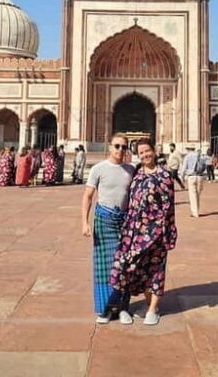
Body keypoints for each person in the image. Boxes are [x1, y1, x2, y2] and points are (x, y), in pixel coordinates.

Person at [108, 138, 178, 326]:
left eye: (148, 151)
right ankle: (130, 306)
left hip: (156, 233)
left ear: (154, 151)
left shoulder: (164, 175)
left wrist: (168, 232)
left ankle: (153, 309)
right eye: (142, 153)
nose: (145, 155)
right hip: (134, 232)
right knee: (131, 267)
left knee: (155, 270)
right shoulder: (137, 173)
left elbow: (169, 207)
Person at [80, 133, 135, 324]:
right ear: (110, 146)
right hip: (104, 219)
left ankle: (123, 308)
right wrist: (85, 222)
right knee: (104, 267)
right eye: (117, 146)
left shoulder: (131, 169)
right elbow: (87, 196)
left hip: (125, 221)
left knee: (125, 266)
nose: (121, 150)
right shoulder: (98, 169)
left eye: (124, 147)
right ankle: (105, 308)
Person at [179, 145, 206, 218]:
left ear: (188, 149)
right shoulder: (200, 156)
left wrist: (182, 177)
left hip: (191, 176)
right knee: (197, 195)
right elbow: (204, 166)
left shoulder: (187, 157)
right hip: (200, 176)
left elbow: (184, 168)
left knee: (192, 195)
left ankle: (195, 212)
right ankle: (196, 210)